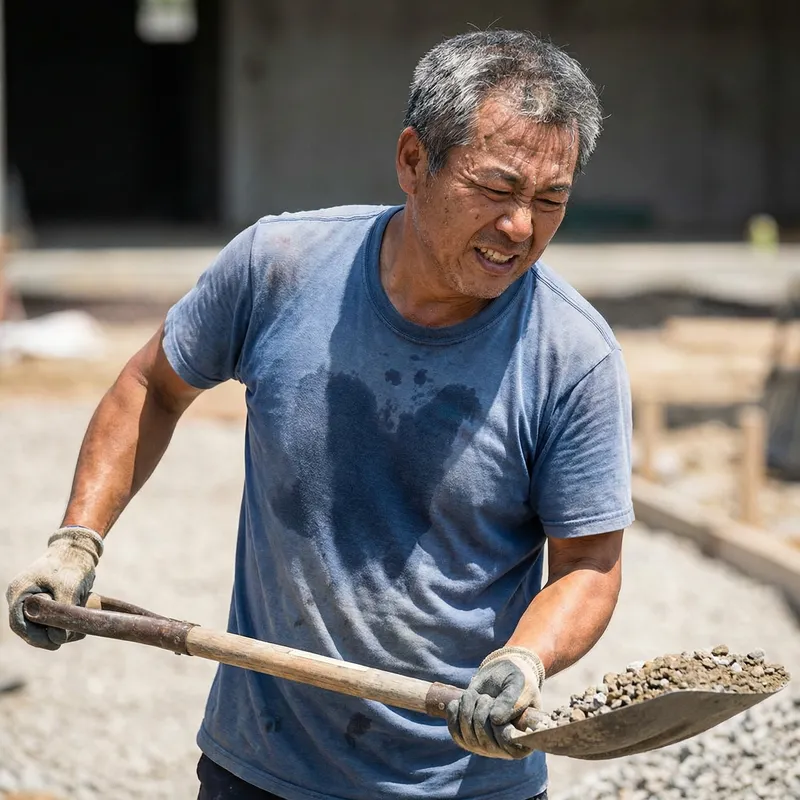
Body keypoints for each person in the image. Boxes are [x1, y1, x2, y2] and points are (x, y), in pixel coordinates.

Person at [6, 30, 632, 800]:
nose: (520, 228)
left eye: (550, 201)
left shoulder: (573, 354)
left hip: (460, 782)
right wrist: (75, 543)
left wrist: (522, 661)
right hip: (261, 766)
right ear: (413, 160)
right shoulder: (282, 266)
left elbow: (588, 566)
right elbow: (151, 387)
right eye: (498, 190)